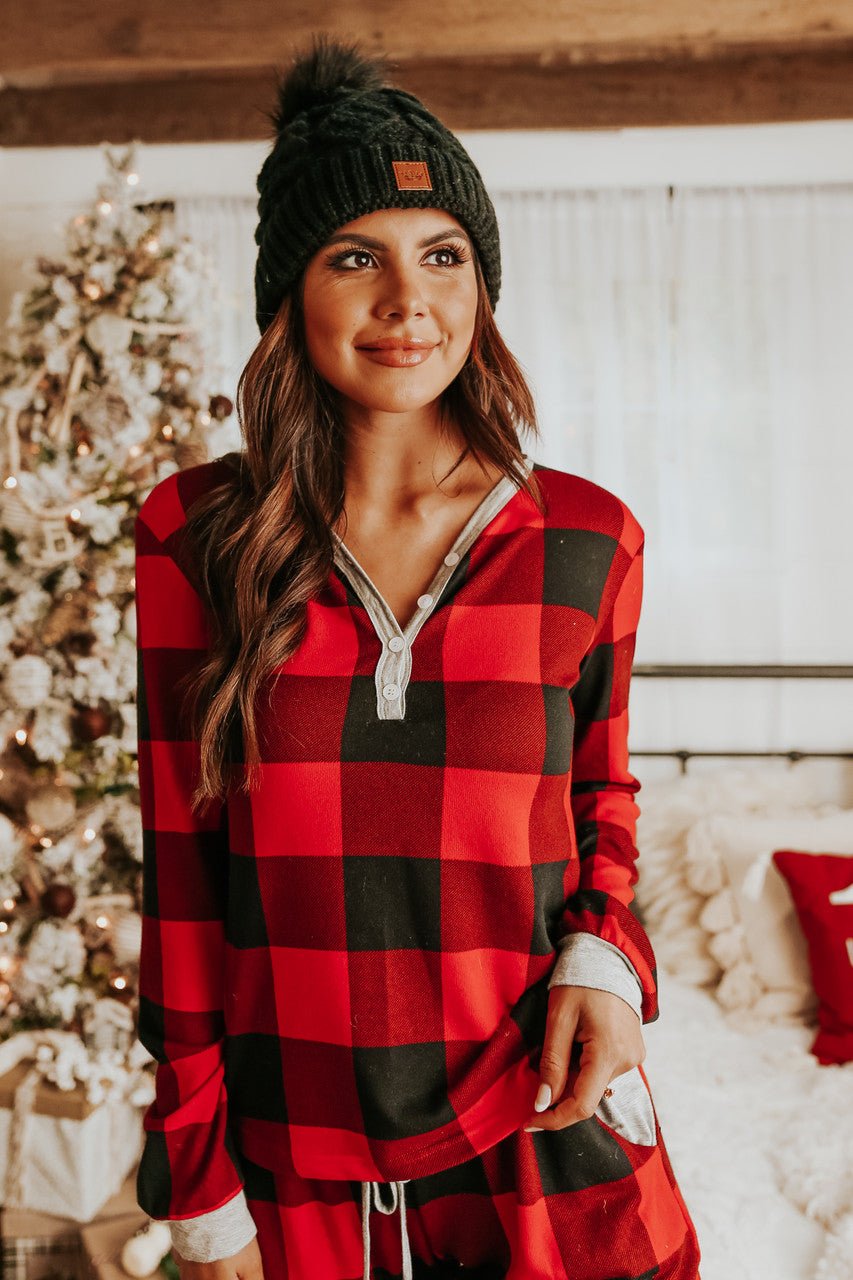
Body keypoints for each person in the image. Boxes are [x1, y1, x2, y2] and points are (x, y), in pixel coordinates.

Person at [133, 34, 702, 1280]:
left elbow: (600, 797)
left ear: (482, 287)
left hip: (545, 1132)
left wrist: (607, 955)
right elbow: (180, 876)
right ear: (291, 296)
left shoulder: (586, 541)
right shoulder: (195, 540)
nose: (409, 303)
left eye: (443, 256)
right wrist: (195, 1173)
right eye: (356, 259)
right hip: (295, 1162)